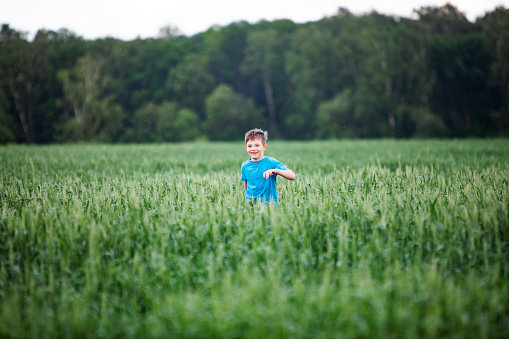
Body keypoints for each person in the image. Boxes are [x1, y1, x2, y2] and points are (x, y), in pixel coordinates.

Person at [240, 128, 296, 204]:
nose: (253, 149)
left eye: (257, 145)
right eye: (250, 146)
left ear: (264, 147)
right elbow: (246, 188)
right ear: (246, 148)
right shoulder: (244, 166)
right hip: (250, 206)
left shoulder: (271, 162)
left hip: (269, 206)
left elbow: (292, 176)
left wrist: (276, 171)